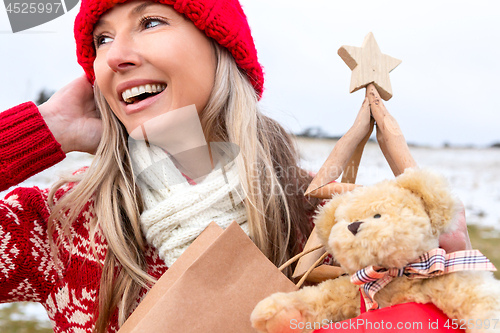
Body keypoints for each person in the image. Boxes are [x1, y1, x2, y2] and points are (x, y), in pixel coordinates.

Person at [0, 0, 471, 332]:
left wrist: (445, 280)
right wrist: (45, 127)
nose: (115, 56)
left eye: (151, 22)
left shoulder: (332, 219)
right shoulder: (61, 219)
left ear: (221, 47)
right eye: (102, 38)